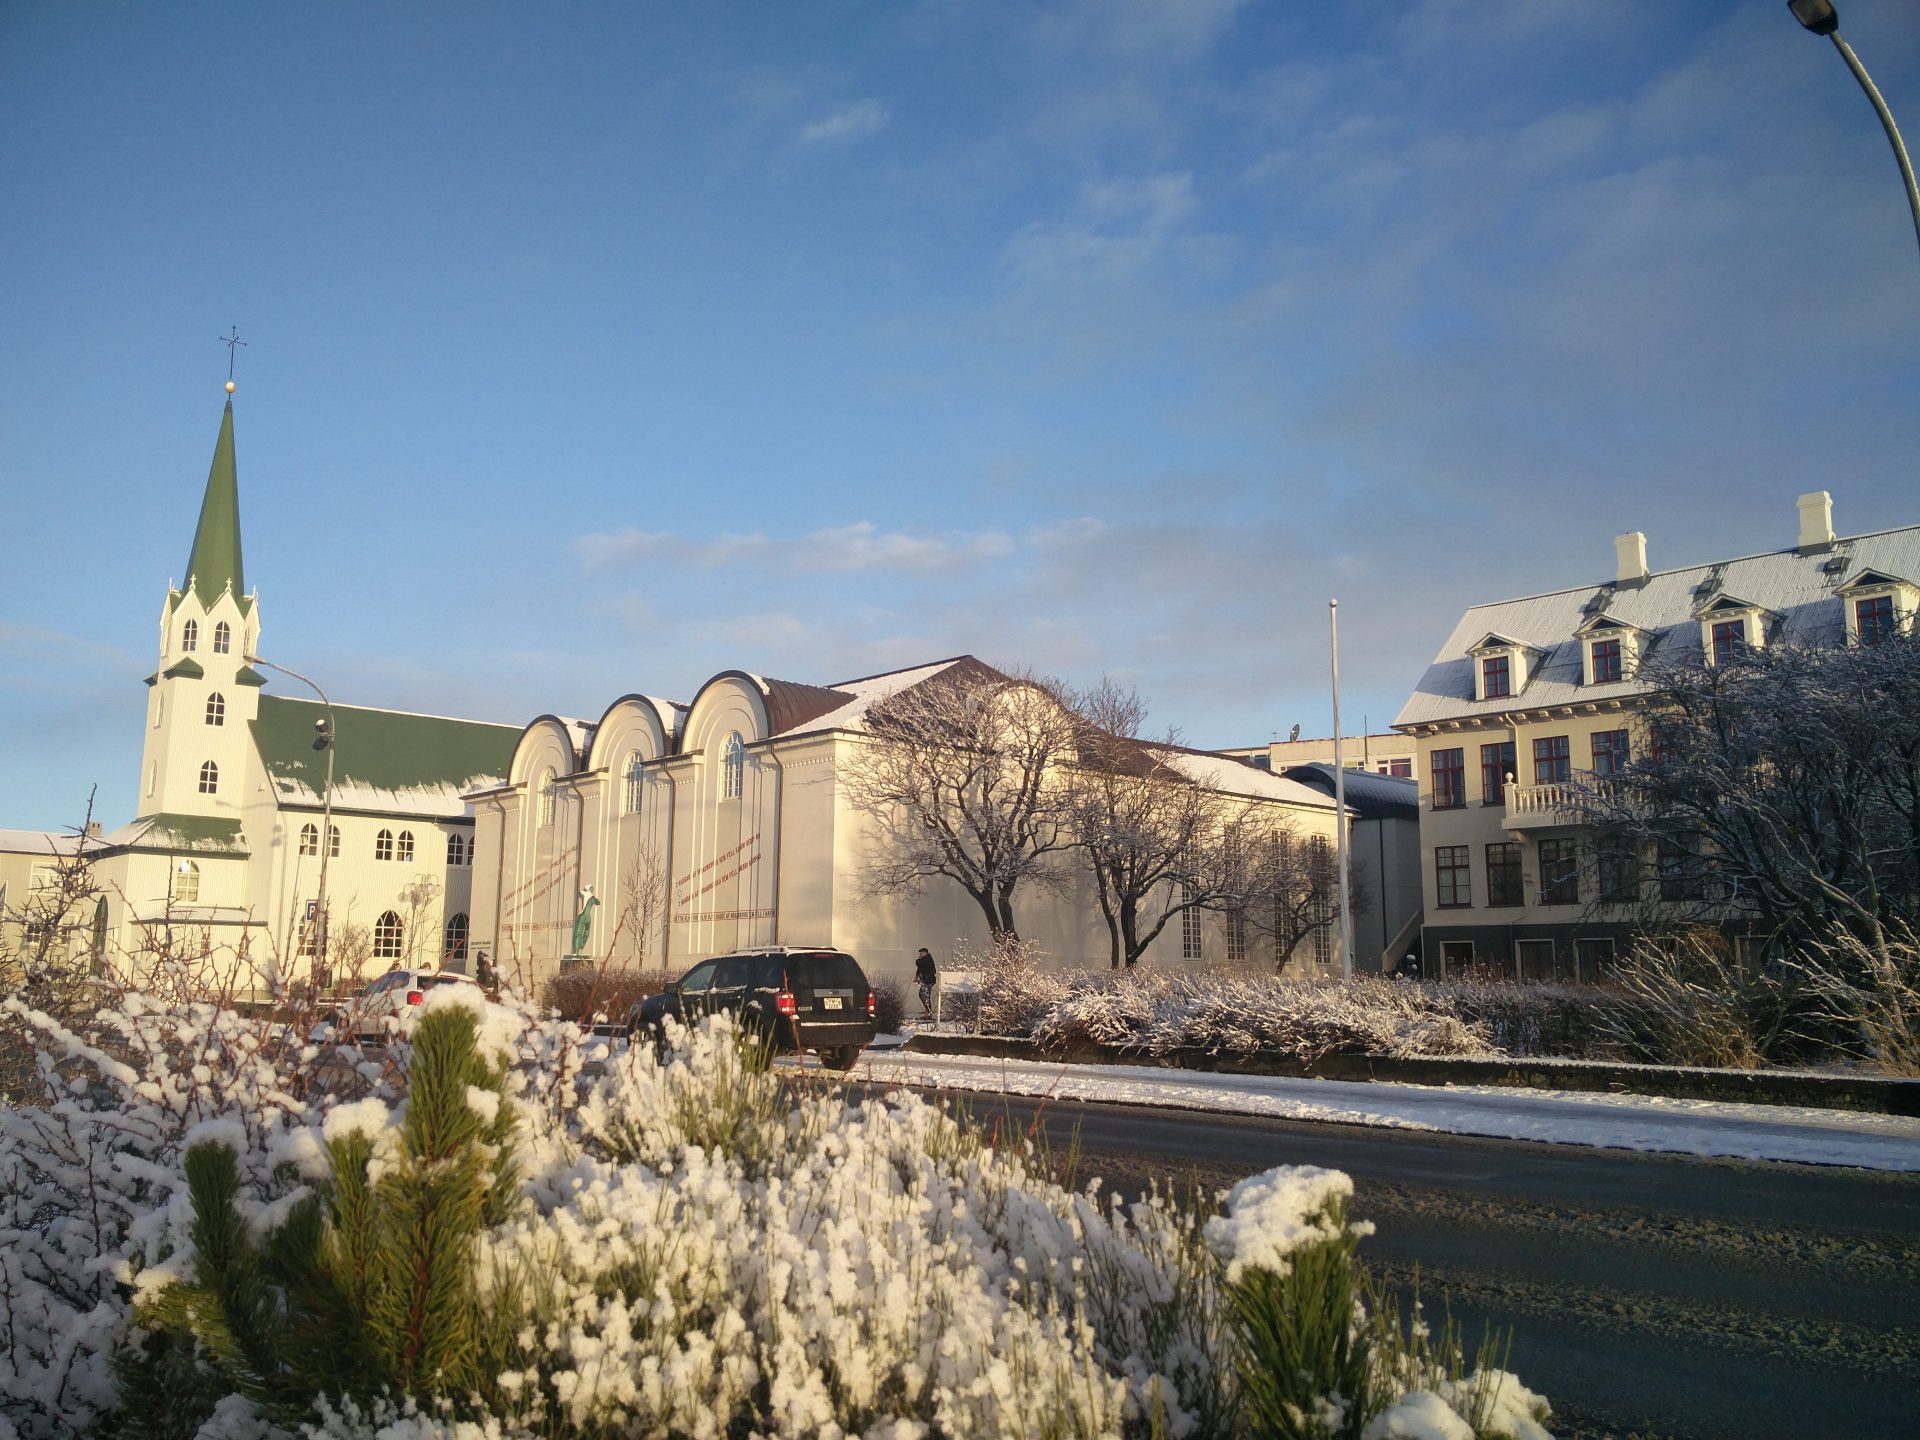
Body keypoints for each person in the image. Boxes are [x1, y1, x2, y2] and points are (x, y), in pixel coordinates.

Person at [914, 946, 938, 1021]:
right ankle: (928, 1012)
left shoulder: (926, 959)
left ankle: (928, 1012)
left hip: (927, 981)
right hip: (927, 981)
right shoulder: (927, 959)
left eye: (921, 953)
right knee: (924, 996)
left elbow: (918, 963)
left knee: (924, 996)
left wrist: (918, 959)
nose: (919, 955)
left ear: (925, 953)